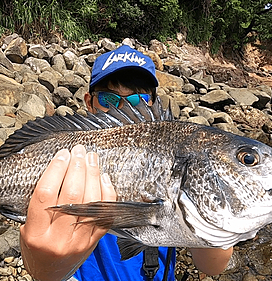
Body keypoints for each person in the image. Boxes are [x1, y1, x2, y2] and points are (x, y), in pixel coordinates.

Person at [20, 45, 233, 281]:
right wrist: (45, 265)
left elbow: (212, 267)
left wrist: (222, 213)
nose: (123, 109)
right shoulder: (64, 156)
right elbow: (39, 267)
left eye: (138, 99)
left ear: (152, 104)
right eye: (108, 99)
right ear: (89, 102)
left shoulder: (175, 157)